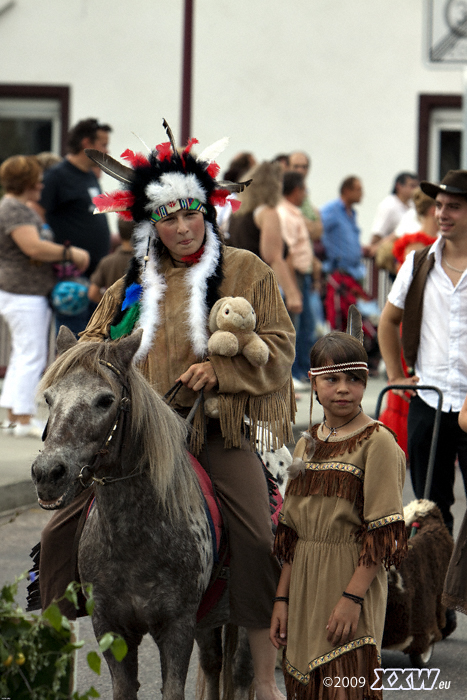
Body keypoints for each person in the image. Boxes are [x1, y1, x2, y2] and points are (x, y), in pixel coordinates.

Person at [37, 125, 296, 700]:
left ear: (208, 211)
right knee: (58, 530)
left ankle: (258, 675)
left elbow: (280, 345)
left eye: (191, 215)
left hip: (213, 429)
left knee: (256, 535)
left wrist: (221, 371)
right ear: (151, 221)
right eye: (168, 218)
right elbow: (92, 345)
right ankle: (56, 638)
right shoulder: (133, 278)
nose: (181, 228)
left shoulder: (246, 268)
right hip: (130, 441)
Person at [270, 327, 407, 700]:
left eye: (354, 379)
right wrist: (281, 601)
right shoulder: (306, 442)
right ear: (314, 383)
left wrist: (352, 600)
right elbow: (292, 535)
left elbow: (381, 534)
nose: (344, 388)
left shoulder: (379, 443)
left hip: (349, 581)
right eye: (332, 379)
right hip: (302, 587)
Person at [378, 169, 467, 536]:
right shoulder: (417, 264)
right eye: (440, 205)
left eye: (454, 207)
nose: (442, 213)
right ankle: (436, 591)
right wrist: (397, 376)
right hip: (429, 398)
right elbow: (387, 321)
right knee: (429, 509)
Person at [0, 155, 89, 437]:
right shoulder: (14, 209)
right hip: (23, 293)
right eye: (37, 178)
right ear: (26, 181)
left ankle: (14, 415)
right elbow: (33, 248)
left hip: (21, 292)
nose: (42, 183)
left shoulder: (15, 207)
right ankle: (24, 418)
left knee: (23, 354)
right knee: (32, 356)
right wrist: (71, 253)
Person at [38, 117, 112, 334]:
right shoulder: (56, 176)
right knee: (73, 345)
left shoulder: (90, 175)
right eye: (103, 144)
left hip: (94, 279)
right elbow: (39, 214)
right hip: (71, 280)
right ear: (86, 143)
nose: (107, 150)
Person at [229, 160, 303, 316]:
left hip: (237, 285)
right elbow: (273, 256)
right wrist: (292, 294)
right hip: (261, 289)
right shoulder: (267, 213)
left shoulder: (237, 213)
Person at [276, 171, 316, 388]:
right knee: (294, 326)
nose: (305, 194)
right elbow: (288, 253)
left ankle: (300, 371)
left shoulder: (294, 212)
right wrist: (291, 288)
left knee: (305, 326)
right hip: (294, 276)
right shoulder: (285, 214)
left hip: (303, 274)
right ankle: (291, 373)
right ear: (296, 190)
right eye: (303, 189)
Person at [320, 175, 365, 283]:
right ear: (346, 191)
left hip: (355, 272)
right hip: (338, 273)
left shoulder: (352, 213)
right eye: (358, 190)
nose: (362, 194)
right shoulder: (332, 209)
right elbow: (318, 229)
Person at [369, 171, 419, 259]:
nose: (415, 190)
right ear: (399, 186)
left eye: (416, 186)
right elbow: (378, 233)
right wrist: (374, 249)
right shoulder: (389, 205)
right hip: (392, 256)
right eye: (411, 186)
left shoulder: (412, 206)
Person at [88, 219, 135, 304]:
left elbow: (92, 293)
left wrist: (112, 304)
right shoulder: (148, 261)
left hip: (116, 315)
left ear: (119, 233)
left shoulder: (107, 262)